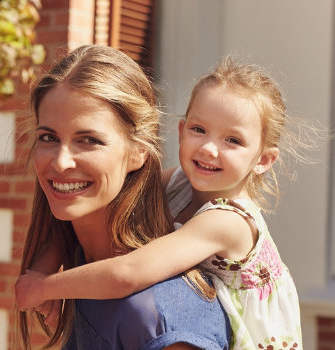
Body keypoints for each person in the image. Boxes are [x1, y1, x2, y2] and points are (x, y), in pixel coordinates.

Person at [15, 55, 306, 349]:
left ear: (264, 160)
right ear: (181, 130)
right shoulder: (180, 182)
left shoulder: (228, 221)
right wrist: (47, 262)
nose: (208, 148)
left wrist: (44, 287)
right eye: (199, 129)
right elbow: (74, 206)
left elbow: (128, 272)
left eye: (232, 140)